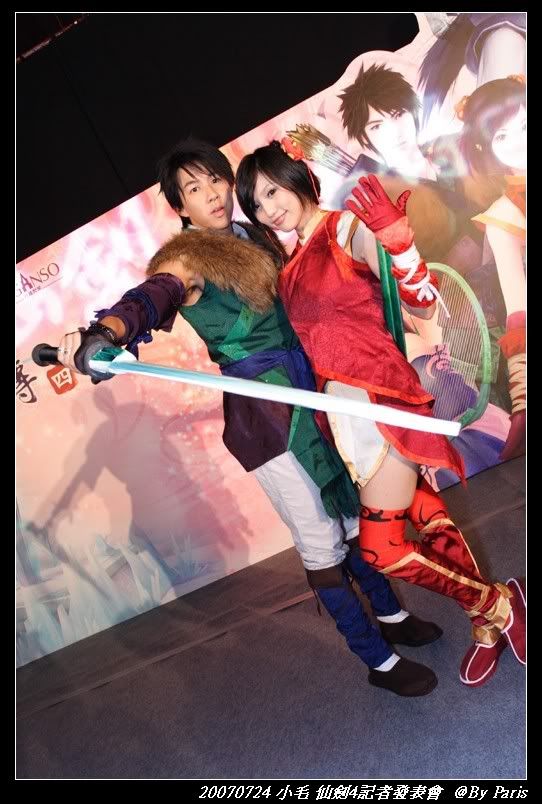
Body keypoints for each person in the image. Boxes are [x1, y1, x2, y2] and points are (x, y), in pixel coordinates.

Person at [53, 138, 441, 697]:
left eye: (216, 179)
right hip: (266, 417)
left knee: (352, 516)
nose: (212, 193)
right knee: (320, 539)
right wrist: (104, 333)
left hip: (315, 390)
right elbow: (150, 297)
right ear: (180, 207)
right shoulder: (186, 259)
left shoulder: (257, 236)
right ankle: (376, 659)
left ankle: (392, 617)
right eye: (194, 188)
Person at [235, 140, 526, 686]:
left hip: (382, 400)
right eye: (255, 203)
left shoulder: (345, 229)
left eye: (272, 190)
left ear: (297, 177)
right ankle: (484, 621)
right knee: (429, 519)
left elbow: (421, 302)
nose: (268, 208)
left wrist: (400, 246)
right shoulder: (289, 268)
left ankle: (498, 604)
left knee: (382, 549)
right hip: (345, 420)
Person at [458, 75, 526, 460]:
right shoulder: (505, 216)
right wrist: (523, 397)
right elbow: (519, 312)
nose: (519, 141)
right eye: (502, 136)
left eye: (524, 125)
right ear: (487, 148)